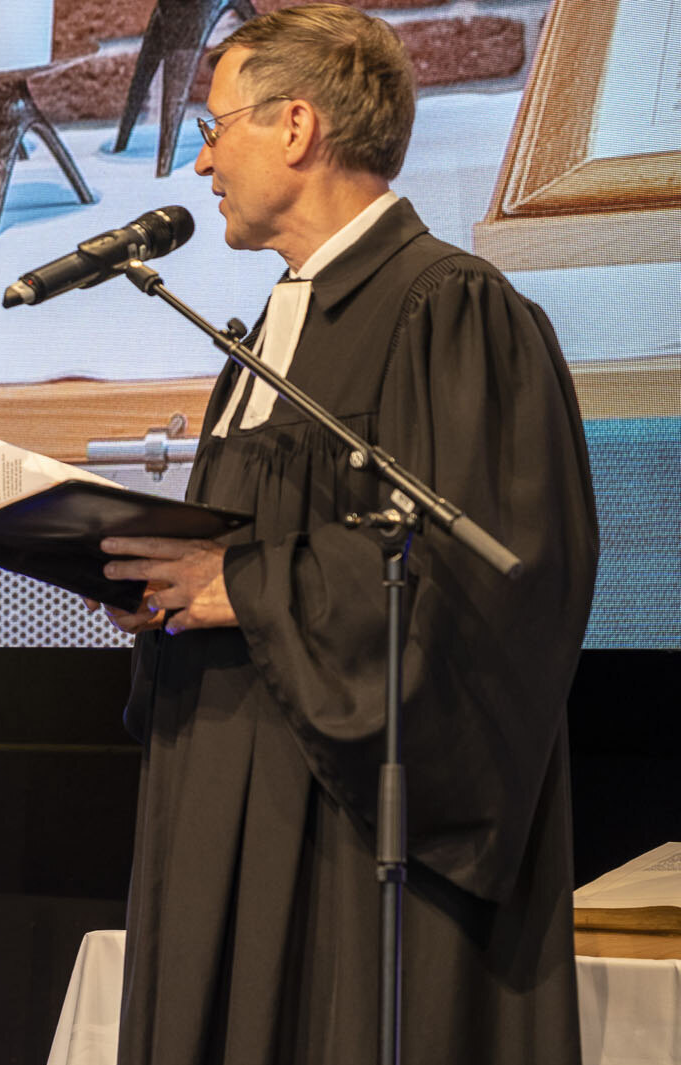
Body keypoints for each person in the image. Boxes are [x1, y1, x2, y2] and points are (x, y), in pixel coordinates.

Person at [90, 6, 598, 1063]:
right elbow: (243, 549)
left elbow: (496, 575)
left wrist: (247, 585)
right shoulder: (267, 331)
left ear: (294, 127)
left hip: (351, 829)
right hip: (224, 787)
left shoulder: (453, 311)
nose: (199, 161)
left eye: (213, 125)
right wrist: (165, 583)